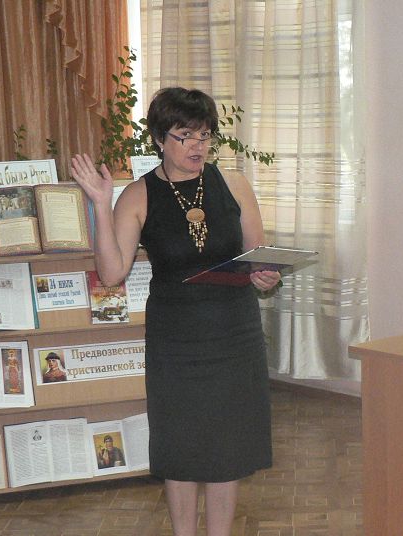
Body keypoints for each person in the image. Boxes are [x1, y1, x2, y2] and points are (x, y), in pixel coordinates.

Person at [71, 87, 281, 536]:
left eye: (205, 135)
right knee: (181, 448)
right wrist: (100, 205)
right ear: (159, 139)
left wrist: (266, 275)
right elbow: (111, 273)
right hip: (176, 342)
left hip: (235, 334)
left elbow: (257, 257)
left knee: (228, 449)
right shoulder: (139, 195)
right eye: (185, 136)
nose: (197, 146)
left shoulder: (234, 185)